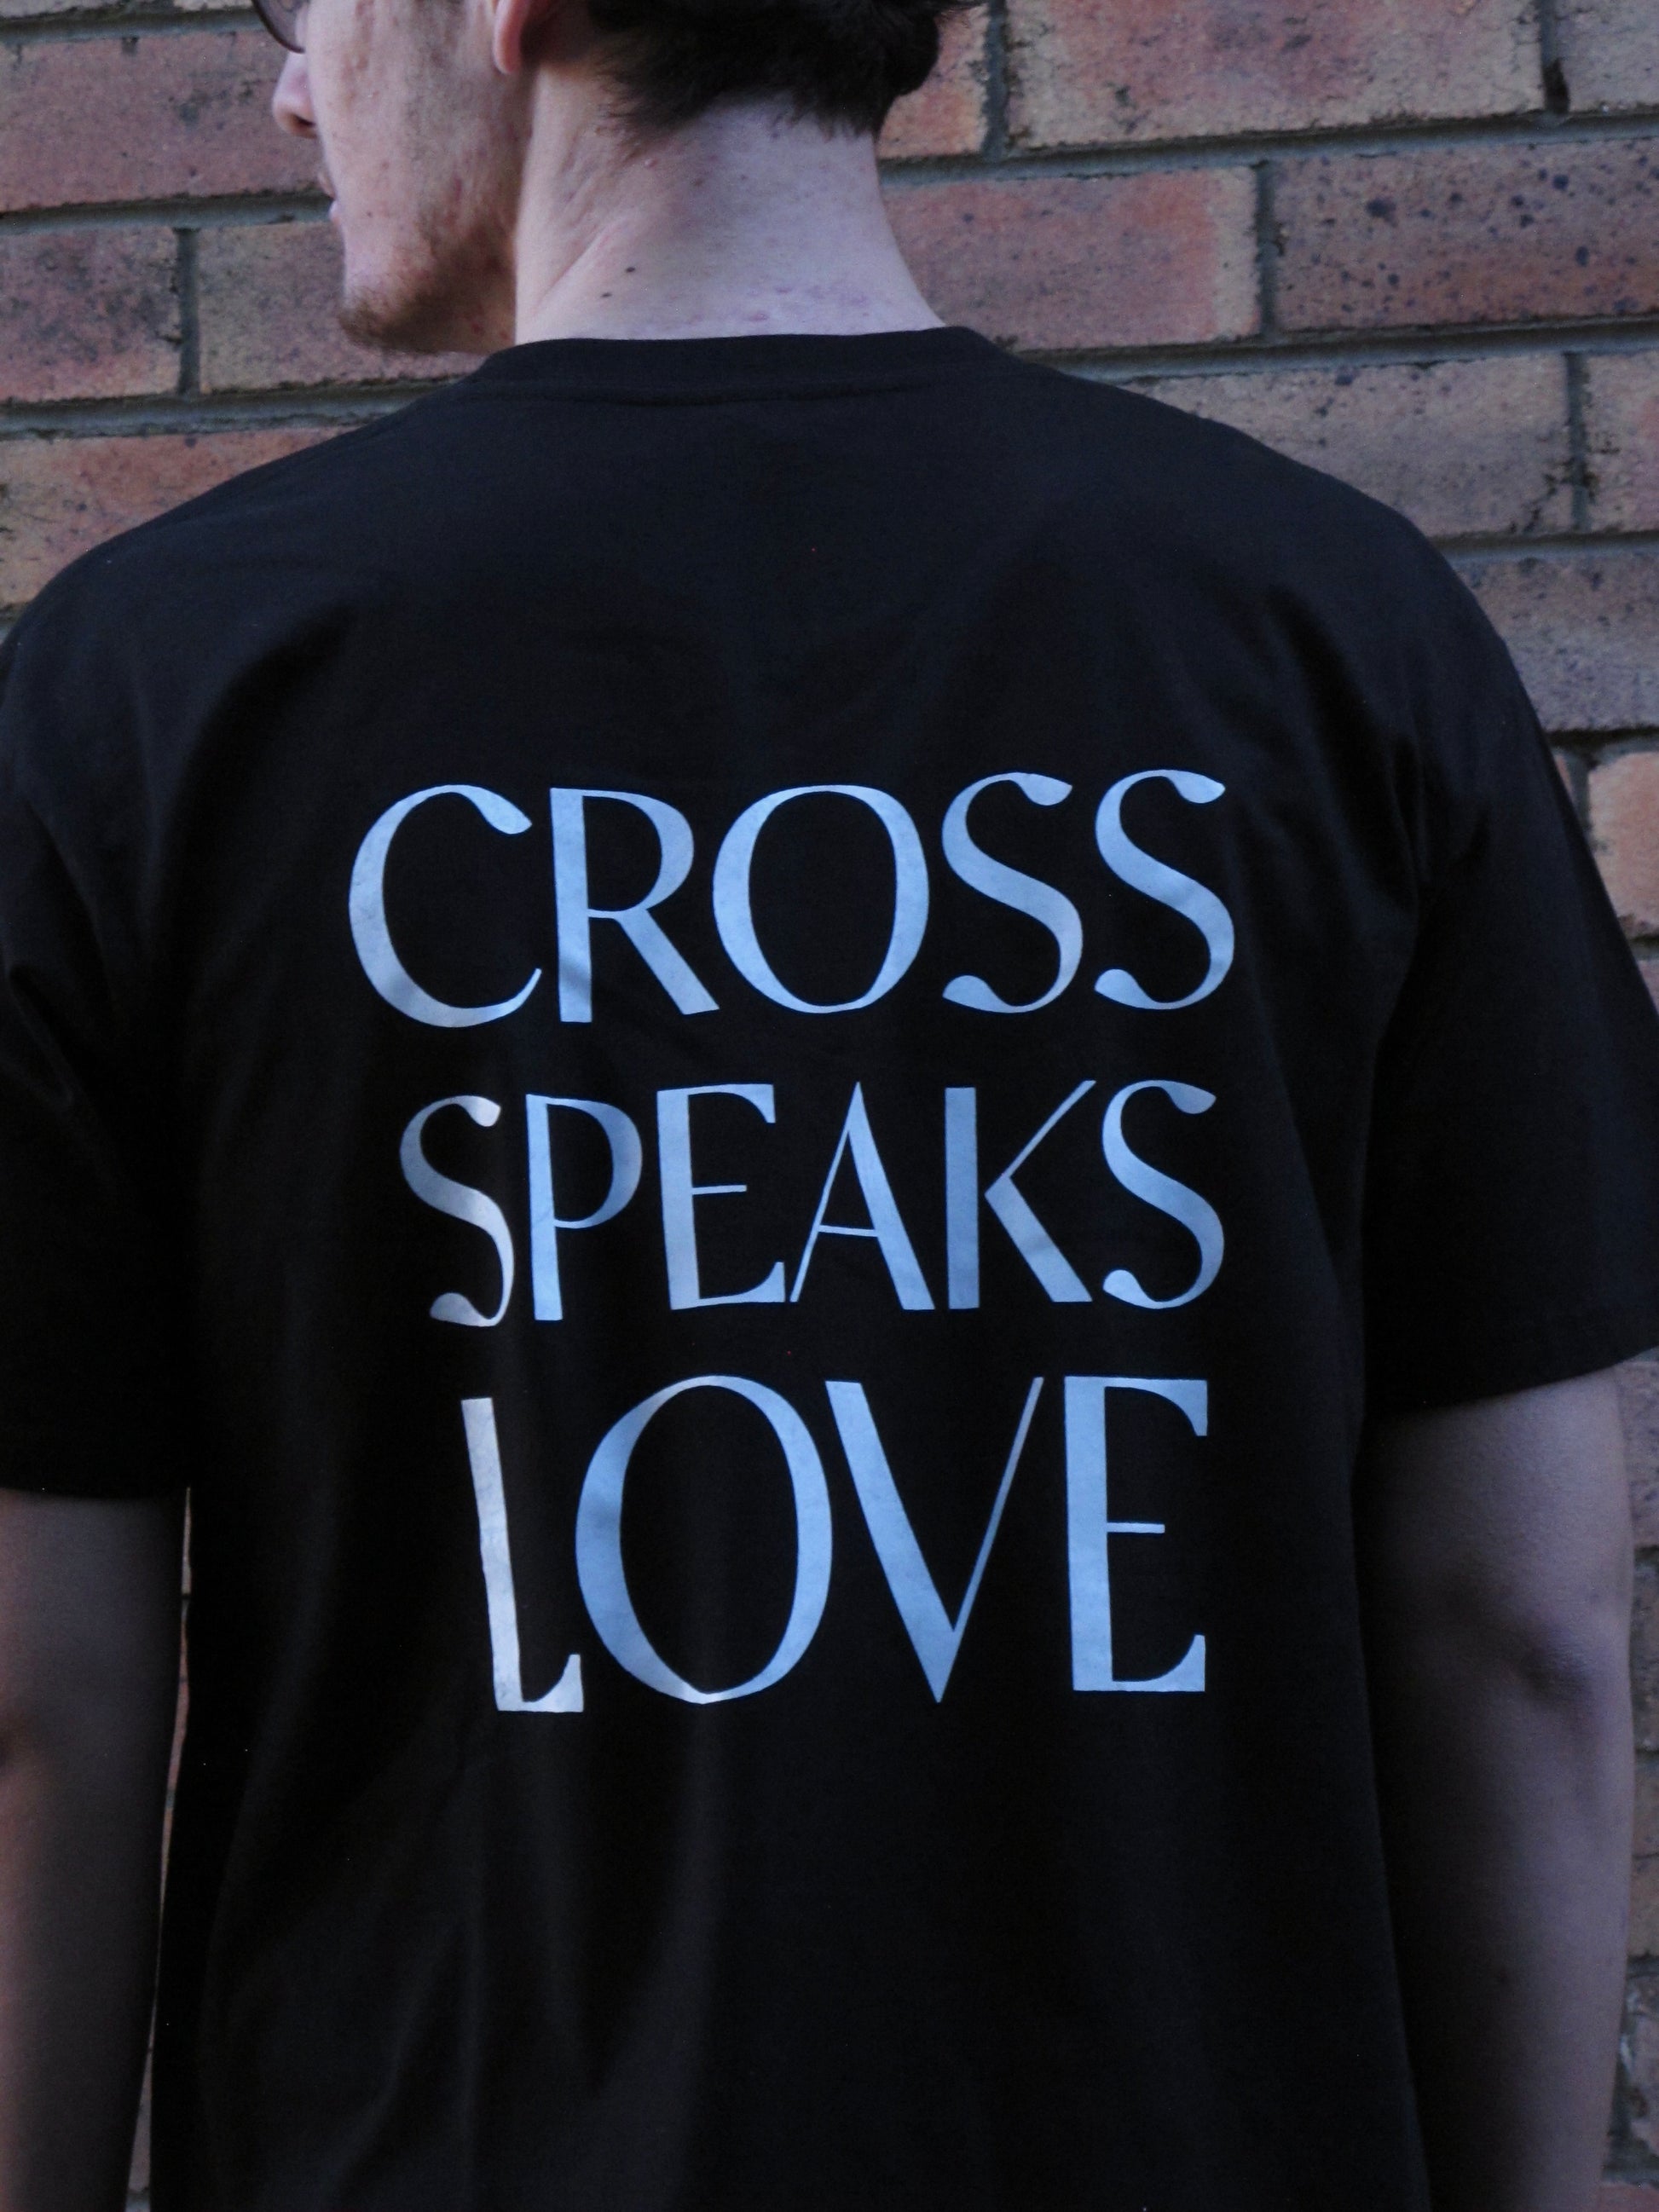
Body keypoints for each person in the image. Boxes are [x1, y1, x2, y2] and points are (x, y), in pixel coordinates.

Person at [0, 0, 1653, 2203]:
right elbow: (1520, 1628)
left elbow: (39, 1710)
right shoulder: (1340, 641)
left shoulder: (147, 699)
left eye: (315, 3)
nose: (294, 80)